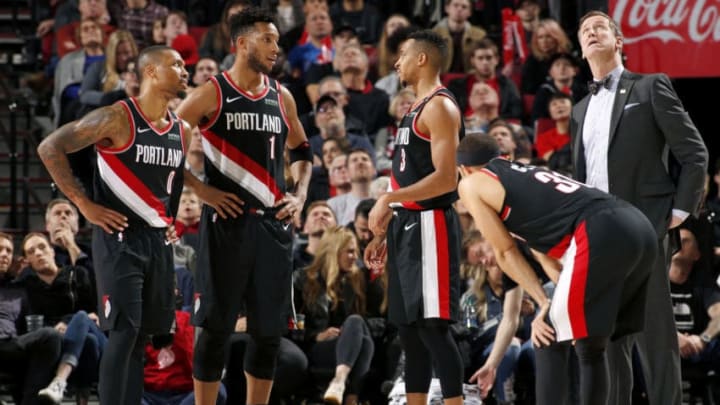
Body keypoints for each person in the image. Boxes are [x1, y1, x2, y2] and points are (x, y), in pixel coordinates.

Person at [174, 7, 313, 405]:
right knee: (215, 329)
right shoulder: (210, 93)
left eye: (277, 40)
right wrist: (201, 191)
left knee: (268, 334)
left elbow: (303, 150)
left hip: (273, 226)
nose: (276, 47)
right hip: (226, 226)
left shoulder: (281, 96)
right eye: (267, 39)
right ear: (241, 43)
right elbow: (167, 147)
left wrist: (300, 194)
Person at [455, 134, 659, 405]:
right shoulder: (527, 176)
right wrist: (549, 304)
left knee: (547, 336)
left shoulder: (471, 183)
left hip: (598, 230)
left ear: (463, 169)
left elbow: (504, 251)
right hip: (638, 227)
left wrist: (544, 305)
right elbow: (546, 256)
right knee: (593, 344)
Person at [37, 44, 190, 405]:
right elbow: (49, 147)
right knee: (123, 332)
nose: (186, 71)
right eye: (177, 64)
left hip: (157, 241)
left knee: (142, 338)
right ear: (151, 72)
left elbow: (176, 180)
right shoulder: (117, 116)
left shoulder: (181, 129)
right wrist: (85, 204)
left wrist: (169, 218)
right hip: (118, 237)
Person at [571, 11, 708, 405]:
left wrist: (679, 213)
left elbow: (694, 152)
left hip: (645, 227)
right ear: (581, 49)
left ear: (618, 41)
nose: (592, 33)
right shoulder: (580, 109)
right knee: (611, 339)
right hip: (599, 234)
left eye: (600, 27)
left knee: (654, 335)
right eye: (585, 31)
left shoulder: (650, 87)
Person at [364, 30, 465, 405]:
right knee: (408, 331)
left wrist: (389, 198)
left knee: (433, 330)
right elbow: (408, 175)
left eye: (402, 55)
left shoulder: (440, 106)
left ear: (422, 59)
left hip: (431, 225)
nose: (395, 62)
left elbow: (445, 177)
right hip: (406, 226)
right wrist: (387, 222)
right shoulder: (412, 108)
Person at [0, 232, 63, 405]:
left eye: (8, 250)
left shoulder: (19, 289)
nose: (4, 254)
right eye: (0, 249)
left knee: (50, 336)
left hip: (10, 345)